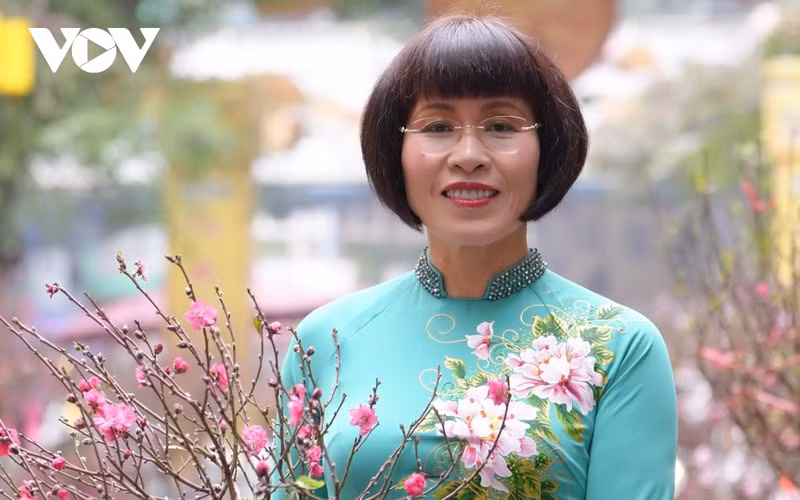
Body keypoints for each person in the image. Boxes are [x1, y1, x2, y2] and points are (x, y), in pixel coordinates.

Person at [275, 13, 678, 500]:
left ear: (545, 148)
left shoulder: (620, 349)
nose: (469, 154)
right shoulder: (325, 342)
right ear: (395, 151)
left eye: (501, 125)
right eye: (438, 126)